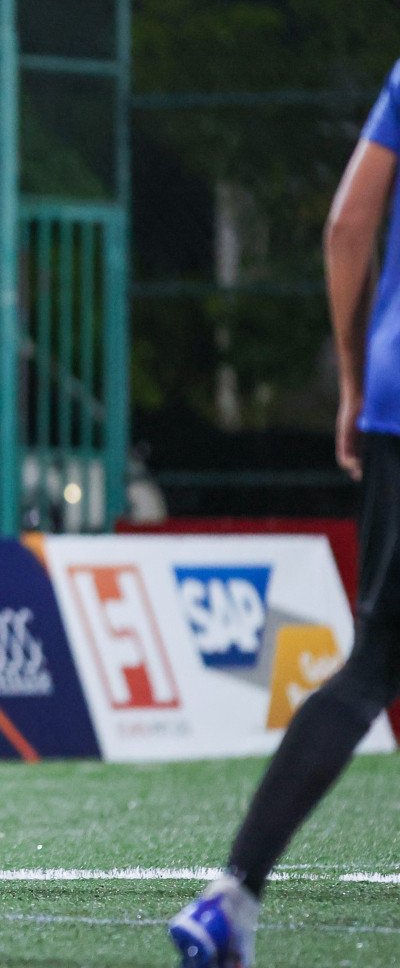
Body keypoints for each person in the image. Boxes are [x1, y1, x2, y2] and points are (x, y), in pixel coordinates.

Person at [169, 59, 400, 967]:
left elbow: (347, 223)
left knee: (371, 665)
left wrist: (352, 376)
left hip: (393, 392)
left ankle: (233, 895)